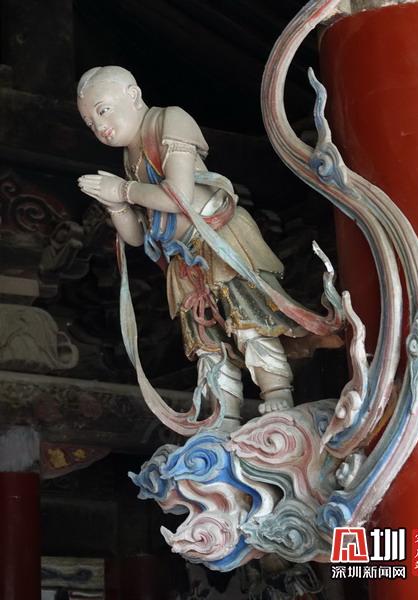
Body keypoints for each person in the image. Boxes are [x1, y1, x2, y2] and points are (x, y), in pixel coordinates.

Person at [77, 66, 341, 430]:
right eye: (91, 123)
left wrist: (124, 190)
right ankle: (224, 412)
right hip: (183, 259)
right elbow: (137, 237)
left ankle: (277, 391)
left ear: (133, 95)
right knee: (205, 339)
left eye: (103, 110)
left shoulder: (169, 120)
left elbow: (179, 196)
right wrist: (115, 204)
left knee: (248, 317)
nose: (100, 127)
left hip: (219, 238)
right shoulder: (129, 158)